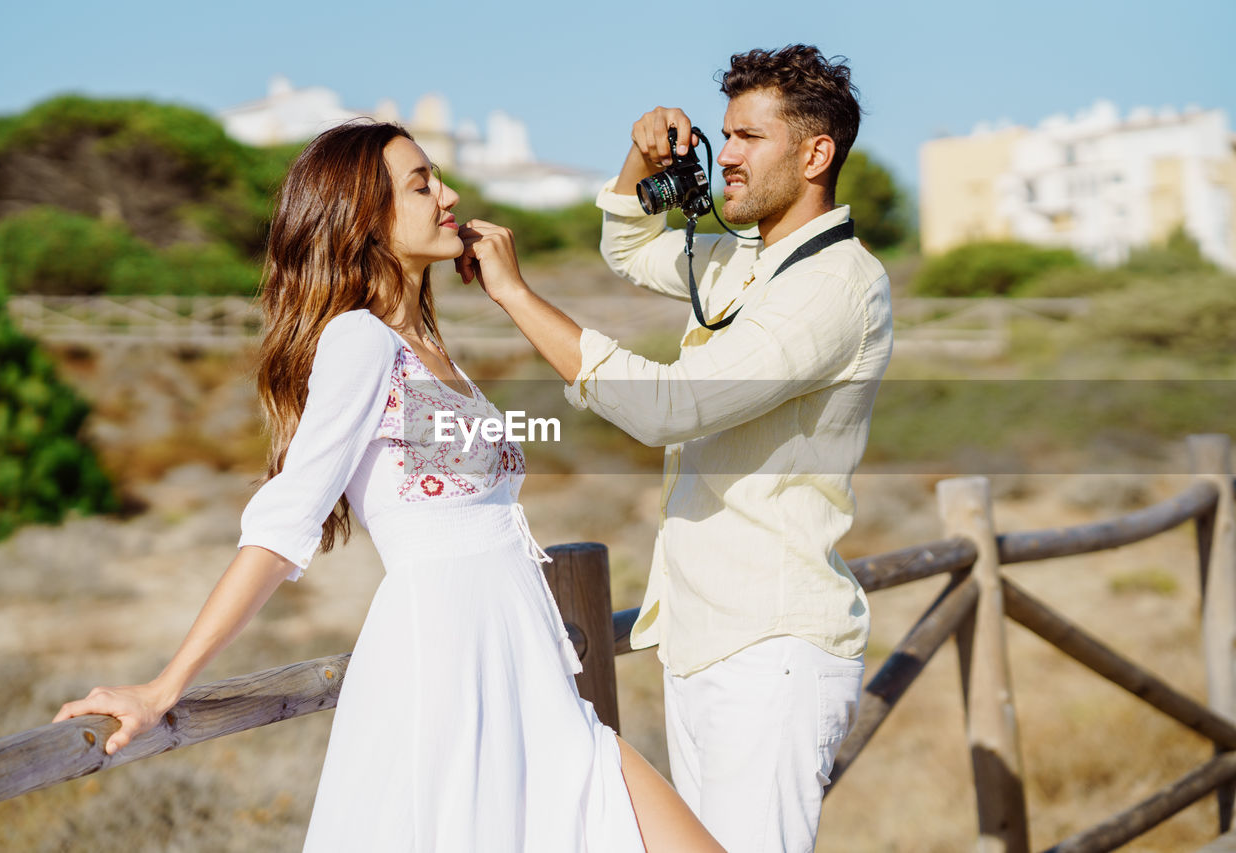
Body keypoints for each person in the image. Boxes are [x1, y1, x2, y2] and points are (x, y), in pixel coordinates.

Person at [53, 121, 722, 853]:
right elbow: (282, 525)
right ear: (364, 218)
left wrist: (511, 293)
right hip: (445, 662)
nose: (451, 195)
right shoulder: (359, 341)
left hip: (528, 673)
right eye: (422, 183)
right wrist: (162, 687)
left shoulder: (430, 351)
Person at [458, 45, 893, 852]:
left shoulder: (832, 286)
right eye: (723, 134)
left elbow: (670, 408)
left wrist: (516, 294)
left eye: (748, 139)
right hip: (709, 638)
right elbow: (628, 248)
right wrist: (640, 160)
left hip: (769, 650)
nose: (723, 154)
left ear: (815, 154)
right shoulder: (751, 259)